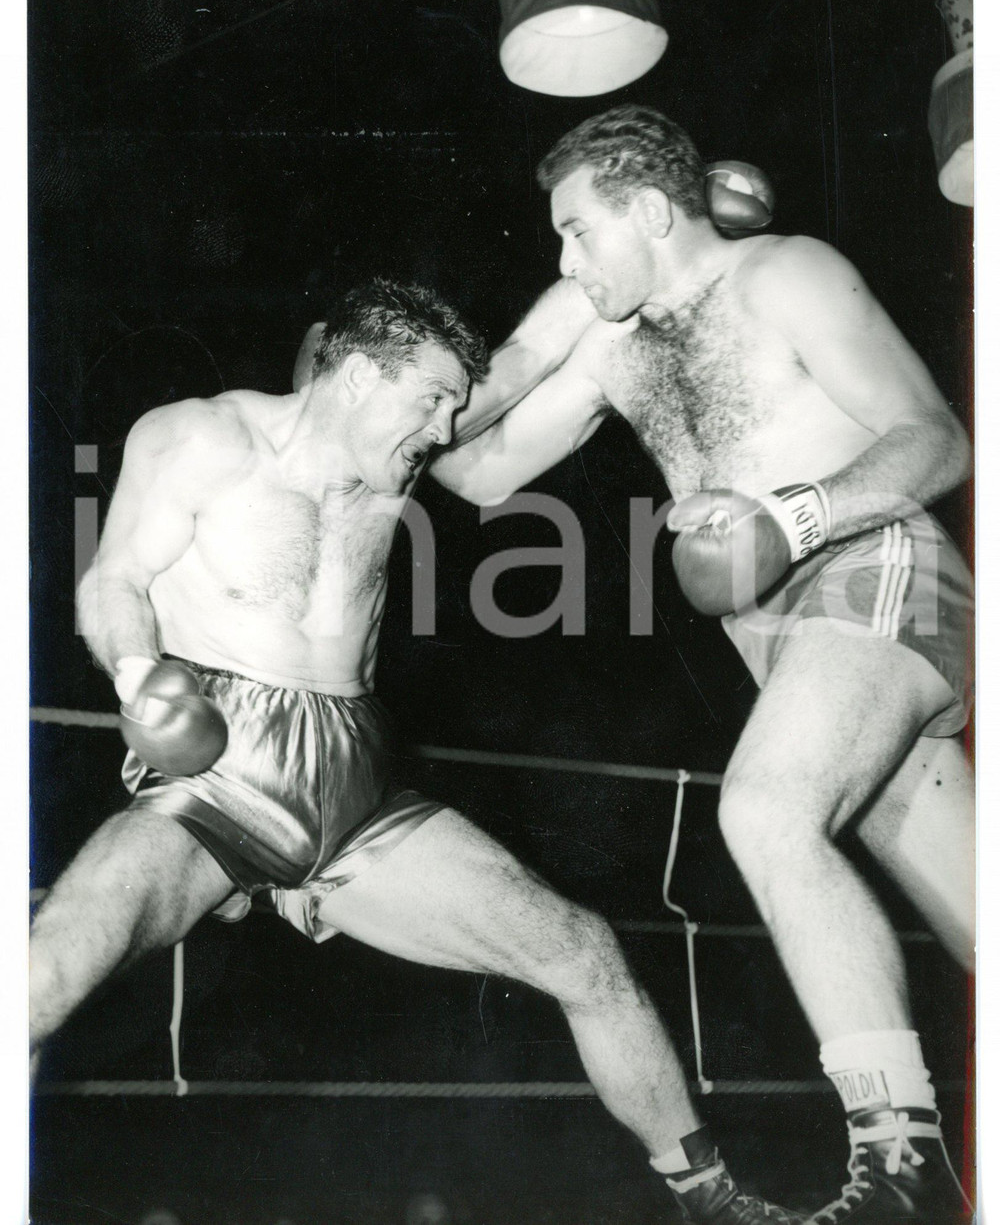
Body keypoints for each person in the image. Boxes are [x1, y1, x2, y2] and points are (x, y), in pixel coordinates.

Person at [30, 277, 802, 1225]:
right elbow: (116, 578)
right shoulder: (202, 438)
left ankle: (714, 1202)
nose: (444, 429)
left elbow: (517, 367)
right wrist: (139, 675)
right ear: (356, 376)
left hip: (356, 780)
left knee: (583, 953)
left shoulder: (388, 466)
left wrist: (620, 262)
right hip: (220, 767)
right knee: (44, 977)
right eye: (431, 400)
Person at [431, 106, 975, 1224]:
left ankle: (904, 1173)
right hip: (790, 651)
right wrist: (405, 410)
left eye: (577, 232)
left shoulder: (785, 274)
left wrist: (790, 516)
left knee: (767, 812)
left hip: (873, 573)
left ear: (645, 208)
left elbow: (935, 436)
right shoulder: (608, 342)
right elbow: (484, 473)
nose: (566, 259)